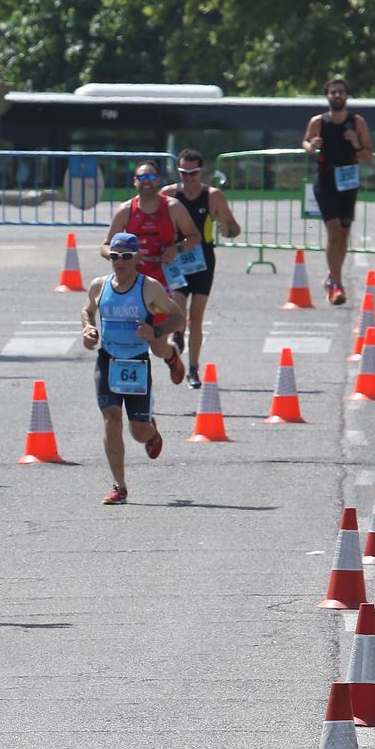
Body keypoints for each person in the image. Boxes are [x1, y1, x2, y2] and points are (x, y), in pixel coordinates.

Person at [83, 233, 185, 505]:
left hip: (136, 364)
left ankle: (150, 429)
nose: (120, 262)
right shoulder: (99, 285)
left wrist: (156, 330)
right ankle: (119, 486)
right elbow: (88, 310)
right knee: (111, 419)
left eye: (126, 257)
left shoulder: (149, 287)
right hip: (107, 361)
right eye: (115, 257)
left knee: (138, 433)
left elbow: (178, 316)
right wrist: (88, 329)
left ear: (137, 258)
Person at [102, 160, 199, 384]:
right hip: (131, 284)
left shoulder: (172, 207)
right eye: (142, 178)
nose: (147, 182)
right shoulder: (126, 210)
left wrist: (176, 248)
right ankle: (142, 402)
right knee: (131, 344)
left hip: (161, 283)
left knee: (157, 347)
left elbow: (194, 237)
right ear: (135, 181)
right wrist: (122, 256)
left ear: (159, 180)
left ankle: (171, 354)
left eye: (152, 177)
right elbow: (105, 246)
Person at [161, 149, 243, 387]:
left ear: (201, 172)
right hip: (176, 259)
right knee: (178, 313)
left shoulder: (213, 196)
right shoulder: (168, 194)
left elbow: (234, 227)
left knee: (196, 319)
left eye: (193, 173)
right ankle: (177, 337)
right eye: (183, 173)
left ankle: (194, 369)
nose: (188, 178)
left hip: (203, 260)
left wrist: (228, 230)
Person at [301, 76, 373, 305]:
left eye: (341, 91)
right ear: (327, 95)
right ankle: (337, 286)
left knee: (343, 235)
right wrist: (311, 146)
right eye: (333, 92)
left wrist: (356, 144)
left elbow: (369, 156)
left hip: (348, 182)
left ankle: (333, 277)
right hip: (325, 181)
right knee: (333, 233)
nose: (337, 95)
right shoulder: (318, 122)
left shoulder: (357, 123)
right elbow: (305, 144)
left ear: (347, 96)